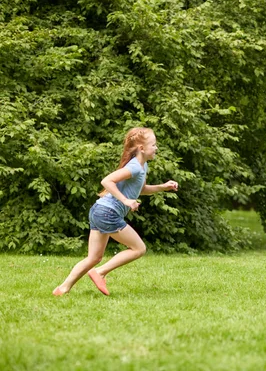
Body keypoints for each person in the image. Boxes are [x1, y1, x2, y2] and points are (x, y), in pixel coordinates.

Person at [53, 127, 178, 296]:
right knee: (138, 249)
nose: (156, 148)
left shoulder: (143, 166)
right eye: (154, 145)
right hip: (107, 213)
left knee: (93, 258)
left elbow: (139, 189)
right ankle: (100, 272)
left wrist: (163, 187)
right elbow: (107, 181)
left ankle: (62, 289)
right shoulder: (134, 167)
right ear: (142, 148)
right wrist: (125, 200)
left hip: (99, 210)